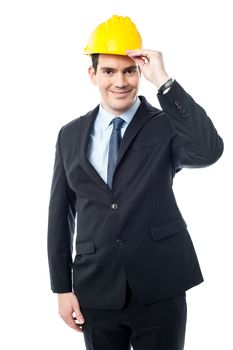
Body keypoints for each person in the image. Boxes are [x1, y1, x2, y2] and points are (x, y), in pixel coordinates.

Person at [47, 15, 224, 350]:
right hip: (95, 288)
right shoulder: (69, 135)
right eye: (109, 71)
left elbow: (208, 150)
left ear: (139, 72)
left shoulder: (163, 125)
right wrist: (62, 287)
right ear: (92, 74)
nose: (121, 81)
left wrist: (164, 81)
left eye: (129, 70)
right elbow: (60, 215)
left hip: (160, 285)